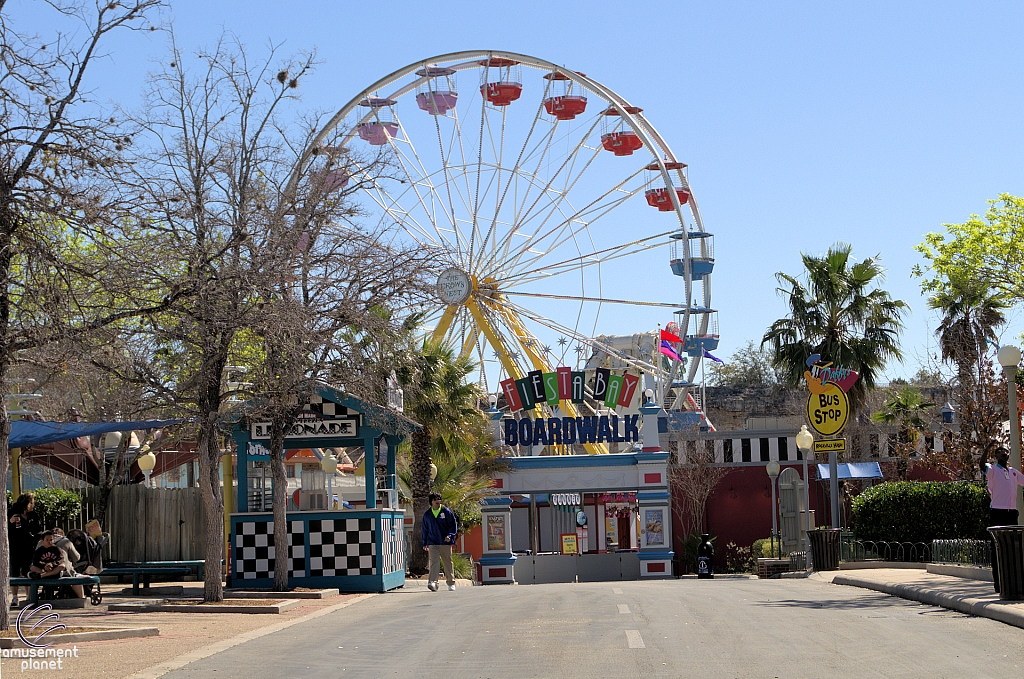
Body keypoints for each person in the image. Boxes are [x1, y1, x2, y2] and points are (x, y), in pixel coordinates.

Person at [981, 446, 1024, 593]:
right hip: (998, 512)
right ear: (995, 455)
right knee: (997, 547)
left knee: (1014, 548)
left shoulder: (1013, 472)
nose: (1004, 453)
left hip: (1011, 513)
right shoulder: (992, 470)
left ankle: (1015, 584)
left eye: (1005, 451)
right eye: (1000, 451)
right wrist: (986, 448)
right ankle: (999, 585)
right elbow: (982, 465)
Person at [30, 530, 85, 599]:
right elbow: (76, 558)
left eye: (51, 539)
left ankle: (30, 596)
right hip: (56, 571)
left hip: (51, 569)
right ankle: (82, 598)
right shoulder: (66, 541)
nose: (49, 541)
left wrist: (51, 565)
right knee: (74, 577)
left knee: (61, 566)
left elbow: (59, 559)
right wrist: (45, 565)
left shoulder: (55, 548)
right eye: (47, 540)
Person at [8, 492, 40, 608]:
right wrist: (10, 522)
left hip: (29, 546)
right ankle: (15, 596)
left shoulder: (33, 515)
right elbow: (5, 528)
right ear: (25, 503)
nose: (32, 505)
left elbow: (37, 529)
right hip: (15, 546)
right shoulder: (12, 513)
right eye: (31, 503)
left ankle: (28, 596)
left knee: (28, 571)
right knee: (15, 571)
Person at [421, 492, 458, 592]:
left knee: (447, 562)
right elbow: (425, 529)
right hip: (432, 542)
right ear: (431, 502)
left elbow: (452, 525)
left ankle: (451, 583)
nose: (438, 501)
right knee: (434, 562)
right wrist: (424, 543)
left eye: (439, 499)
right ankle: (433, 582)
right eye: (435, 499)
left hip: (445, 542)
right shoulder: (427, 514)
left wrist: (450, 535)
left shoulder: (446, 512)